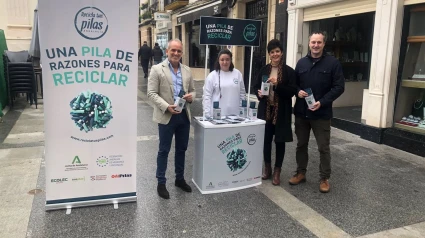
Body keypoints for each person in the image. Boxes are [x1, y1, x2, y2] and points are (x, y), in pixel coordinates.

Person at [290, 31, 345, 193]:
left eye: (319, 42)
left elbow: (339, 87)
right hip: (302, 112)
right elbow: (294, 84)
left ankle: (324, 178)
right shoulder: (301, 63)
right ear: (309, 43)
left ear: (324, 44)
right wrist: (297, 92)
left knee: (323, 147)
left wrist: (323, 102)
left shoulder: (333, 63)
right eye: (313, 42)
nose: (315, 45)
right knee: (301, 145)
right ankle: (301, 173)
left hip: (321, 114)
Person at [147, 39, 196, 199]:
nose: (176, 53)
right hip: (167, 115)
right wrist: (166, 106)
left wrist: (190, 97)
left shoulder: (187, 70)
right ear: (167, 51)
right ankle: (161, 182)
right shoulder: (156, 69)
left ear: (182, 53)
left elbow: (194, 91)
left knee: (181, 149)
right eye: (173, 50)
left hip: (183, 116)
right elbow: (151, 93)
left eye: (179, 51)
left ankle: (179, 179)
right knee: (164, 150)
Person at [254, 39, 297, 186]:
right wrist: (259, 93)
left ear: (282, 52)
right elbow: (256, 87)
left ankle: (278, 171)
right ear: (269, 54)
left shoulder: (288, 71)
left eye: (277, 51)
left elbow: (292, 91)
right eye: (272, 52)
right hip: (266, 110)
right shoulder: (263, 70)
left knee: (280, 141)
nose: (275, 54)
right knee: (266, 140)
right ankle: (267, 168)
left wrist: (277, 85)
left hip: (281, 111)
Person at [202, 49, 245, 118]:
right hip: (217, 116)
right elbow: (207, 96)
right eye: (222, 60)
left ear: (231, 60)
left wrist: (242, 111)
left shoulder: (237, 74)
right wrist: (207, 114)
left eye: (227, 59)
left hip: (235, 115)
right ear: (218, 61)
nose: (225, 62)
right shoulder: (212, 76)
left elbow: (242, 94)